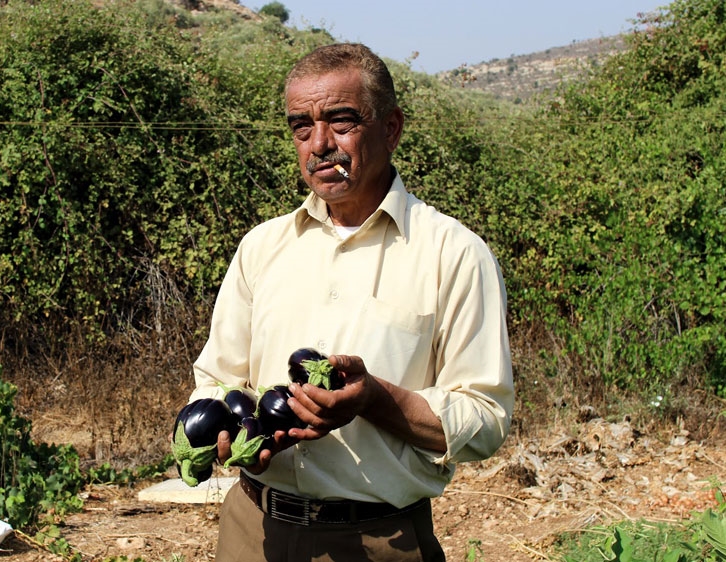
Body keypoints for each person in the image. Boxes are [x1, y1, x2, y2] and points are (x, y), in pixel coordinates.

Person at [186, 43, 514, 562]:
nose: (319, 144)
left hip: (380, 541)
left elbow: (487, 418)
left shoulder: (453, 254)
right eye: (301, 126)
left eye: (341, 122)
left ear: (391, 128)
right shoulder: (262, 247)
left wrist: (375, 400)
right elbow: (217, 379)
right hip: (253, 532)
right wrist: (224, 424)